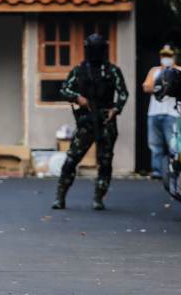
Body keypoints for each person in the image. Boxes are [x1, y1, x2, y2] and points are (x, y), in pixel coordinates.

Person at [53, 34, 129, 210]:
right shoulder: (79, 70)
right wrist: (77, 97)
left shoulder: (112, 71)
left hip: (106, 120)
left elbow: (123, 93)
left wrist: (116, 109)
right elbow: (64, 89)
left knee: (105, 161)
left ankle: (99, 197)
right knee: (72, 159)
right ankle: (60, 196)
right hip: (86, 120)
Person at [142, 45, 181, 181]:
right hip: (154, 113)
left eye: (169, 56)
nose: (166, 59)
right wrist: (161, 84)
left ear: (174, 57)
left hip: (172, 113)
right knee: (155, 145)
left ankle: (175, 170)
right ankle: (157, 171)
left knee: (173, 144)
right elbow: (146, 87)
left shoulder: (178, 70)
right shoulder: (154, 70)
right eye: (164, 56)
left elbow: (177, 85)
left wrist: (160, 85)